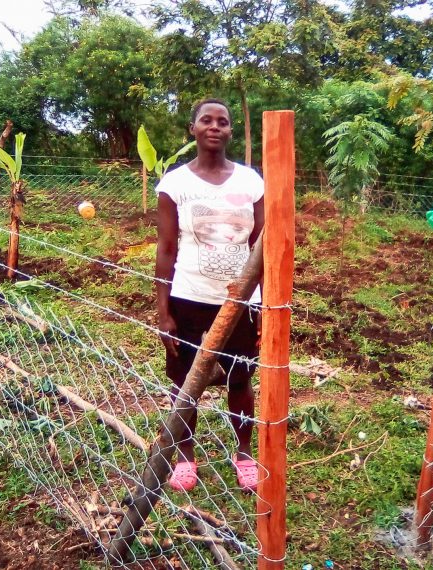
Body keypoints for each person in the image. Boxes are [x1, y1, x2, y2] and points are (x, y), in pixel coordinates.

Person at [154, 98, 264, 493]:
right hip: (188, 297)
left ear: (230, 130)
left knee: (240, 378)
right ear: (194, 129)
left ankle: (244, 453)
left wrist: (263, 302)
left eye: (223, 121)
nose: (215, 126)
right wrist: (163, 310)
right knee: (184, 381)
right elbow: (166, 248)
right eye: (206, 120)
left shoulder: (251, 181)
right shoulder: (175, 184)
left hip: (242, 301)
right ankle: (185, 456)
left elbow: (262, 244)